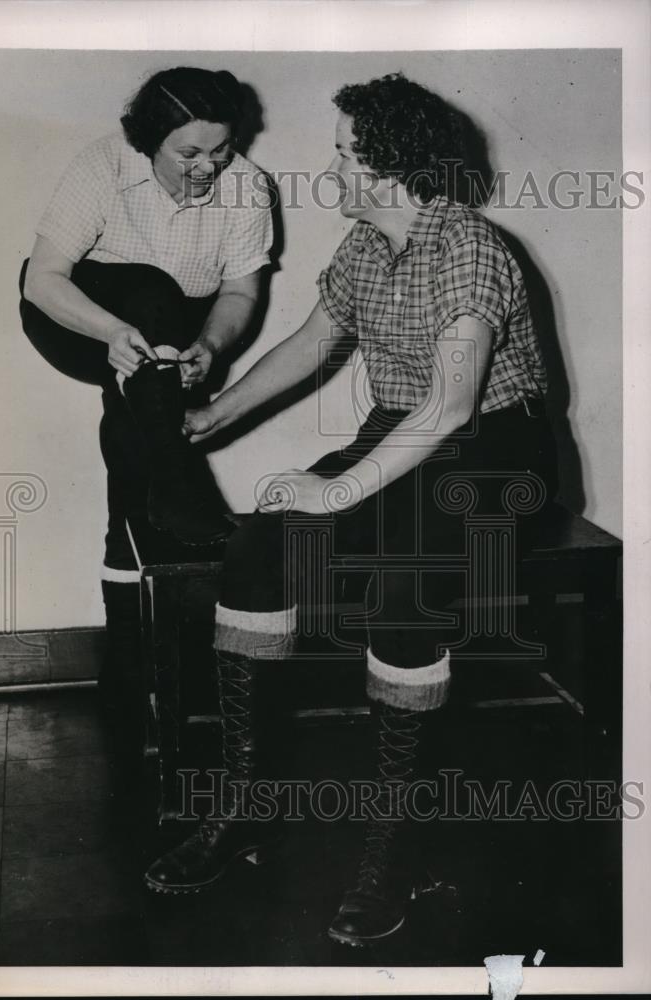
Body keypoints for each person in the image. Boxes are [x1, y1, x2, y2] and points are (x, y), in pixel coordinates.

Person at [144, 72, 557, 950]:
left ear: (388, 164)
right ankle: (248, 806)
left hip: (495, 452)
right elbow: (311, 344)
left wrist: (336, 488)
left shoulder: (470, 248)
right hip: (402, 435)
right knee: (262, 546)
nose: (328, 166)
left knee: (405, 593)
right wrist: (214, 415)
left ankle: (393, 850)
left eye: (342, 152)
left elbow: (450, 410)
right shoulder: (368, 244)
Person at [18, 67, 273, 749]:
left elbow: (241, 296)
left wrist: (211, 349)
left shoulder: (248, 186)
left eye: (220, 149)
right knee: (149, 294)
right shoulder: (102, 164)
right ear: (151, 140)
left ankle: (127, 666)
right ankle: (181, 483)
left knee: (134, 443)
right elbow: (43, 280)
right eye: (189, 153)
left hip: (170, 334)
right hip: (78, 314)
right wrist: (110, 336)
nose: (209, 167)